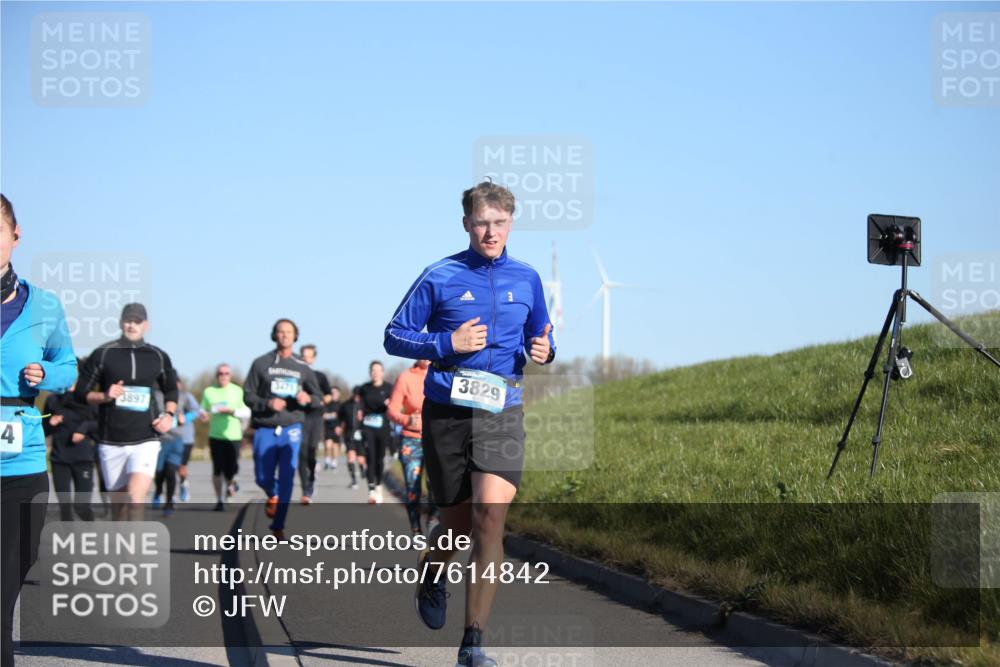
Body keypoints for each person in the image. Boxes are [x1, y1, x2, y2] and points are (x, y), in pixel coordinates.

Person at [384, 181, 555, 667]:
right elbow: (394, 335)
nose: (490, 231)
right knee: (457, 528)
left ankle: (473, 643)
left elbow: (540, 334)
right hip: (448, 411)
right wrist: (445, 344)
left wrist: (544, 350)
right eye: (482, 222)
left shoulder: (527, 278)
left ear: (511, 223)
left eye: (499, 222)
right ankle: (432, 570)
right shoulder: (439, 274)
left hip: (502, 407)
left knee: (489, 518)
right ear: (466, 224)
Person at [1, 193, 78, 667]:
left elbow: (68, 365)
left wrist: (45, 376)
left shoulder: (44, 305)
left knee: (11, 577)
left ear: (15, 234)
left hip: (22, 459)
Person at [74, 302, 178, 522]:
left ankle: (133, 555)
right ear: (121, 323)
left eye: (137, 321)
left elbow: (171, 389)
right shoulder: (103, 354)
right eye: (128, 321)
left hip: (146, 438)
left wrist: (169, 415)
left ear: (146, 325)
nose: (132, 325)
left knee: (135, 499)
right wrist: (105, 396)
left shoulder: (158, 356)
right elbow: (81, 393)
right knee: (119, 510)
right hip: (111, 440)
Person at [243, 319, 321, 538]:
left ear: (295, 336)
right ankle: (272, 493)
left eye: (289, 332)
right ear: (274, 335)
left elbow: (318, 398)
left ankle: (278, 526)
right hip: (265, 427)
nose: (285, 335)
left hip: (291, 427)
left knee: (287, 474)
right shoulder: (261, 363)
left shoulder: (302, 367)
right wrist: (267, 403)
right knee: (262, 476)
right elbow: (247, 394)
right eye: (281, 332)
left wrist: (308, 398)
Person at [386, 359, 435, 535]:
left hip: (437, 438)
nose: (427, 357)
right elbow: (391, 410)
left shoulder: (445, 373)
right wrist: (406, 419)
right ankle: (416, 531)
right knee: (413, 487)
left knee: (437, 485)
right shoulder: (405, 377)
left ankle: (433, 521)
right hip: (411, 440)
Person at [43, 371, 98, 522]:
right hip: (59, 459)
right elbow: (43, 430)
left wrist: (84, 428)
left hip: (83, 460)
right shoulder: (52, 400)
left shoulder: (88, 400)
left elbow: (101, 426)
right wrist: (51, 423)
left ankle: (91, 534)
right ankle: (69, 541)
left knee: (81, 507)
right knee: (65, 507)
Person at [199, 363, 247, 510]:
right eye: (220, 373)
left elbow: (246, 411)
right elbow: (203, 410)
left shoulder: (237, 391)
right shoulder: (209, 391)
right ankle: (219, 500)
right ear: (216, 375)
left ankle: (231, 484)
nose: (223, 376)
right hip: (216, 435)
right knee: (217, 469)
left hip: (233, 435)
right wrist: (204, 415)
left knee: (231, 469)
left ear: (230, 376)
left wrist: (231, 411)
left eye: (226, 373)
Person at [297, 344, 332, 504]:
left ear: (314, 359)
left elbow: (329, 395)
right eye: (303, 356)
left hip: (316, 417)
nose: (306, 359)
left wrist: (321, 400)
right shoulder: (295, 375)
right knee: (301, 453)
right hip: (299, 417)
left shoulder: (320, 376)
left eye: (309, 356)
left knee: (311, 451)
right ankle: (306, 489)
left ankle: (311, 480)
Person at [150, 385, 192, 517]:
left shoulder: (183, 395)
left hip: (176, 439)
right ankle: (158, 491)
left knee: (170, 471)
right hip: (159, 439)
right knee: (159, 472)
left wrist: (186, 418)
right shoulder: (154, 394)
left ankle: (169, 503)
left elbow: (197, 412)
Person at [358, 360, 392, 504]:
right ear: (370, 373)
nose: (375, 373)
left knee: (380, 458)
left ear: (382, 373)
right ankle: (371, 489)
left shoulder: (389, 388)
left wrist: (390, 404)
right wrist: (360, 413)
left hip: (383, 426)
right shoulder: (364, 388)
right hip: (368, 426)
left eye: (378, 370)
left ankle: (378, 484)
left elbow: (396, 406)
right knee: (370, 456)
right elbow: (360, 405)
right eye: (373, 370)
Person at [174, 379, 200, 502]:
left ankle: (183, 485)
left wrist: (185, 417)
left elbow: (197, 411)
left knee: (181, 466)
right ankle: (169, 493)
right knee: (168, 467)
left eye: (176, 383)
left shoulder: (186, 396)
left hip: (185, 438)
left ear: (180, 384)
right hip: (167, 437)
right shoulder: (160, 396)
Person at [337, 386, 365, 490]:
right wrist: (339, 426)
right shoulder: (346, 405)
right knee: (350, 457)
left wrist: (363, 419)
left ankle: (362, 469)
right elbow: (340, 418)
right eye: (355, 395)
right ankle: (354, 481)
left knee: (361, 459)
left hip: (362, 435)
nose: (357, 397)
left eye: (359, 395)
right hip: (349, 434)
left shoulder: (364, 405)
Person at [323, 386, 342, 470]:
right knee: (328, 445)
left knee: (335, 446)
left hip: (337, 428)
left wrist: (341, 427)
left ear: (338, 394)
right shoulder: (327, 404)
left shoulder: (341, 405)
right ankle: (327, 459)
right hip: (328, 427)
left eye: (335, 392)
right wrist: (330, 415)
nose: (333, 394)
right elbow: (323, 415)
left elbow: (342, 417)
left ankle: (334, 461)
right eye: (332, 392)